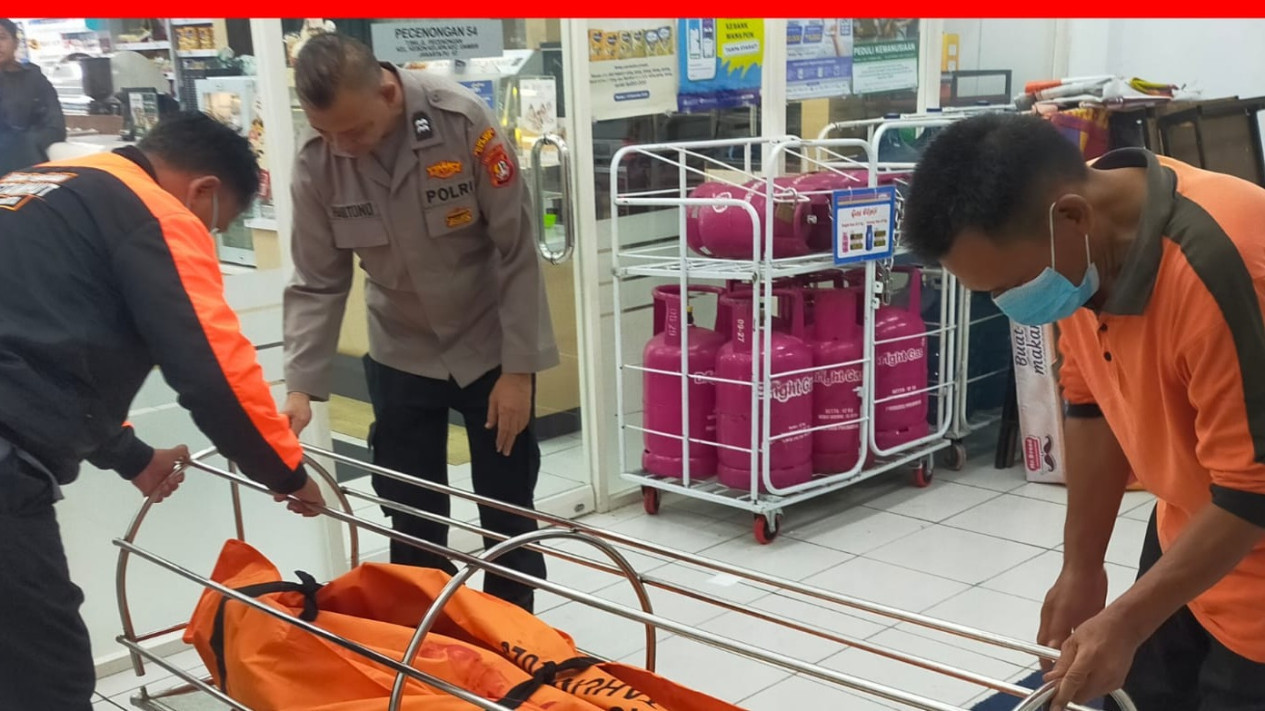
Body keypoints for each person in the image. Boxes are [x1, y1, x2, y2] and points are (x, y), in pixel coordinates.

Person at [901, 112, 1265, 711]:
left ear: (1073, 217)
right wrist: (1082, 566)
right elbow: (1091, 401)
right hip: (1192, 530)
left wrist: (1127, 619)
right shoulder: (1074, 235)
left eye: (1013, 283)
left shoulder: (1223, 264)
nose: (1012, 304)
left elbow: (1253, 490)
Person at [0, 111, 326, 710]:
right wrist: (287, 473)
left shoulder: (38, 184)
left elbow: (42, 350)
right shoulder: (154, 210)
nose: (206, 236)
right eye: (214, 225)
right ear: (204, 190)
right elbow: (214, 370)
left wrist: (132, 456)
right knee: (45, 678)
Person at [282, 34, 557, 612]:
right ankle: (430, 640)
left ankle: (512, 637)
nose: (342, 146)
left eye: (354, 130)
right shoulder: (316, 160)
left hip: (490, 344)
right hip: (401, 349)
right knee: (411, 514)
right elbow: (318, 280)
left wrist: (519, 372)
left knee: (507, 510)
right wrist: (301, 386)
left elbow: (515, 250)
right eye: (327, 132)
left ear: (388, 92)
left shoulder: (463, 121)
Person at [0, 18, 66, 173]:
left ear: (16, 43)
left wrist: (25, 143)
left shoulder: (34, 79)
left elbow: (56, 127)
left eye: (1, 37)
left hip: (27, 166)